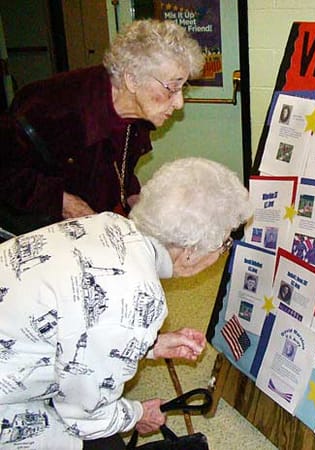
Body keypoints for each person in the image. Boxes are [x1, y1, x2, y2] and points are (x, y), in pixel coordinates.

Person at [0, 157, 253, 450]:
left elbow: (79, 320)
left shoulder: (107, 223)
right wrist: (135, 415)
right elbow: (85, 413)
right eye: (223, 245)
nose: (221, 253)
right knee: (104, 443)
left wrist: (148, 344)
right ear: (189, 252)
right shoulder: (137, 296)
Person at [0, 19, 204, 235]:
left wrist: (137, 201)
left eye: (183, 88)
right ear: (132, 80)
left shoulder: (135, 112)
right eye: (172, 87)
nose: (179, 102)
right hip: (26, 232)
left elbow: (116, 166)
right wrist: (63, 201)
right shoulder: (54, 107)